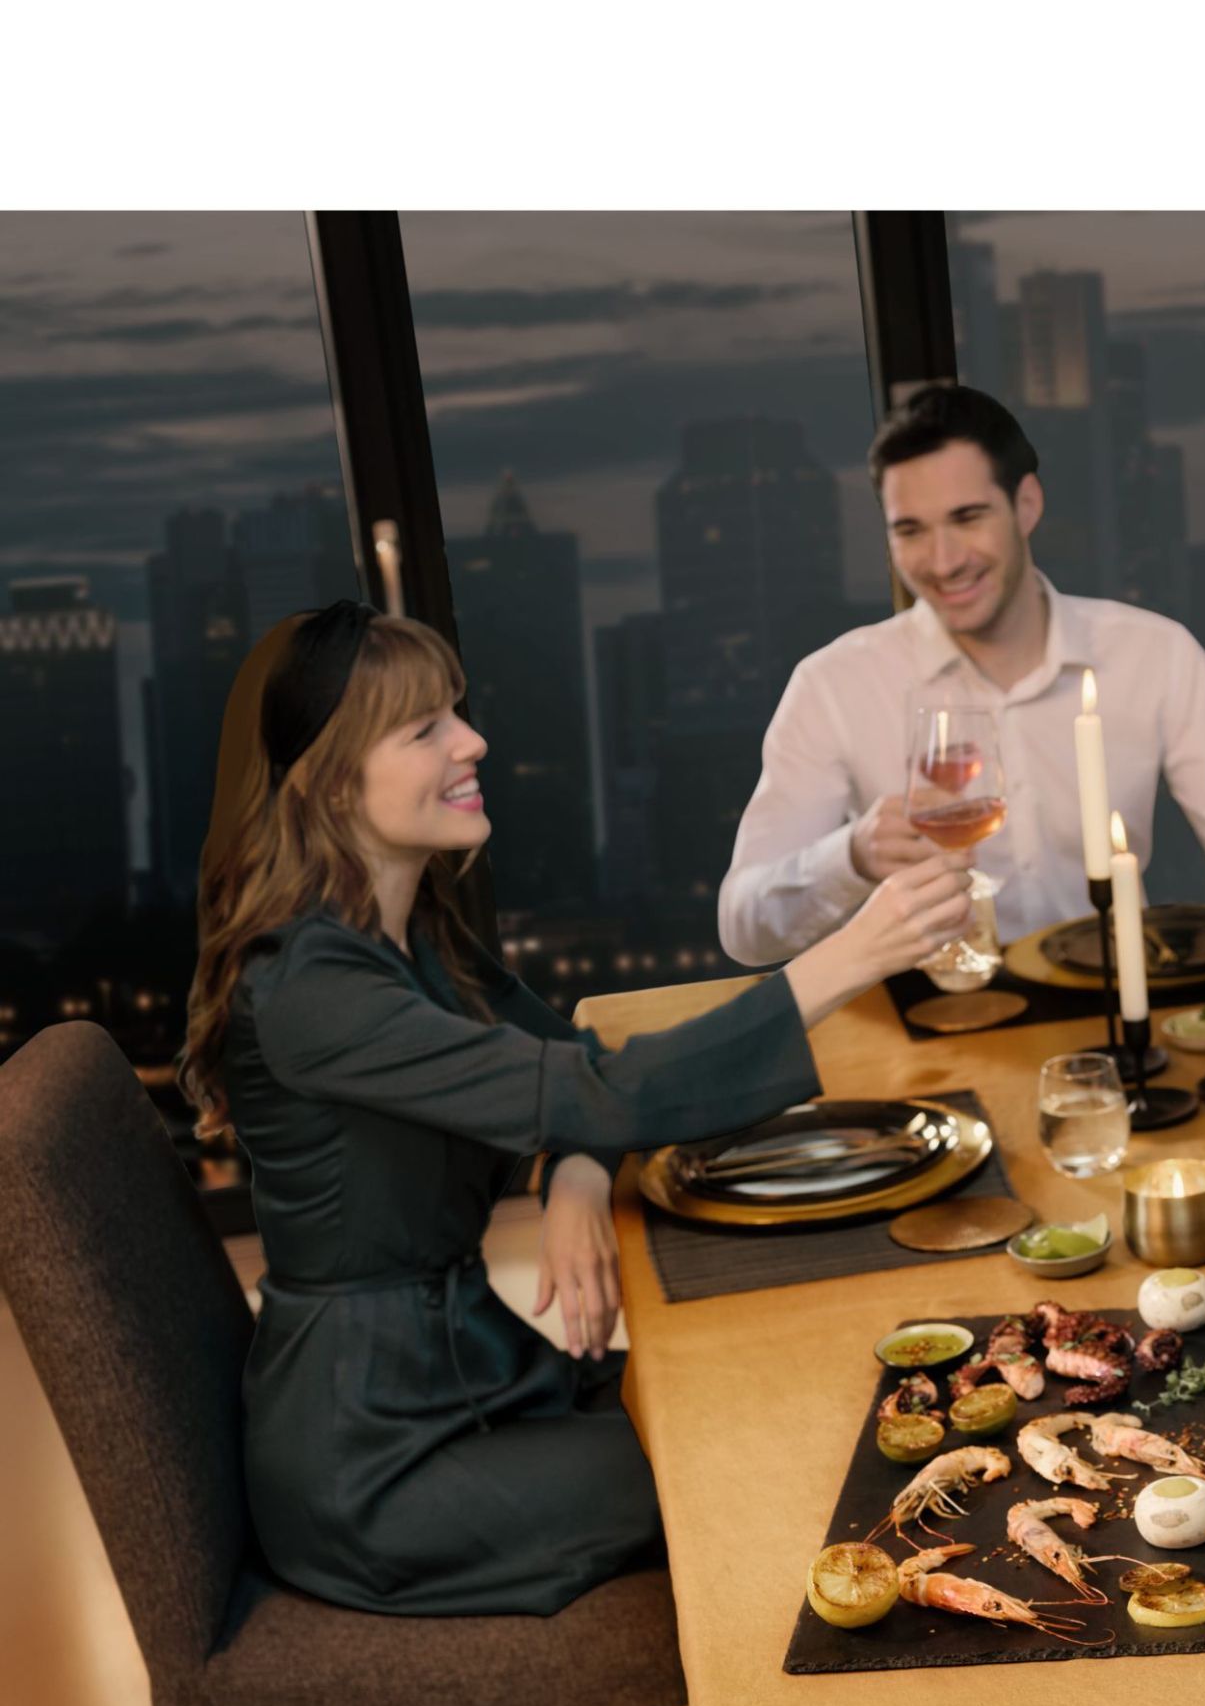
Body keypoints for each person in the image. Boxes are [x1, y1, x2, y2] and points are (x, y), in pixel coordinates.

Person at [181, 604, 971, 1618]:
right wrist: (847, 957)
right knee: (781, 1457)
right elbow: (593, 1092)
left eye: (455, 712)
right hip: (378, 1462)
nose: (472, 741)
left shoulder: (411, 935)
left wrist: (581, 1170)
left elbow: (574, 1071)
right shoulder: (312, 990)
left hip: (480, 1376)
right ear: (332, 780)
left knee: (801, 1397)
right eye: (424, 729)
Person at [718, 383, 1205, 978]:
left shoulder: (1153, 653)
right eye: (911, 530)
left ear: (1026, 505)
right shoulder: (833, 686)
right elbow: (743, 927)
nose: (942, 560)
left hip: (1109, 1005)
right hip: (919, 1034)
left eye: (968, 518)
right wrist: (849, 857)